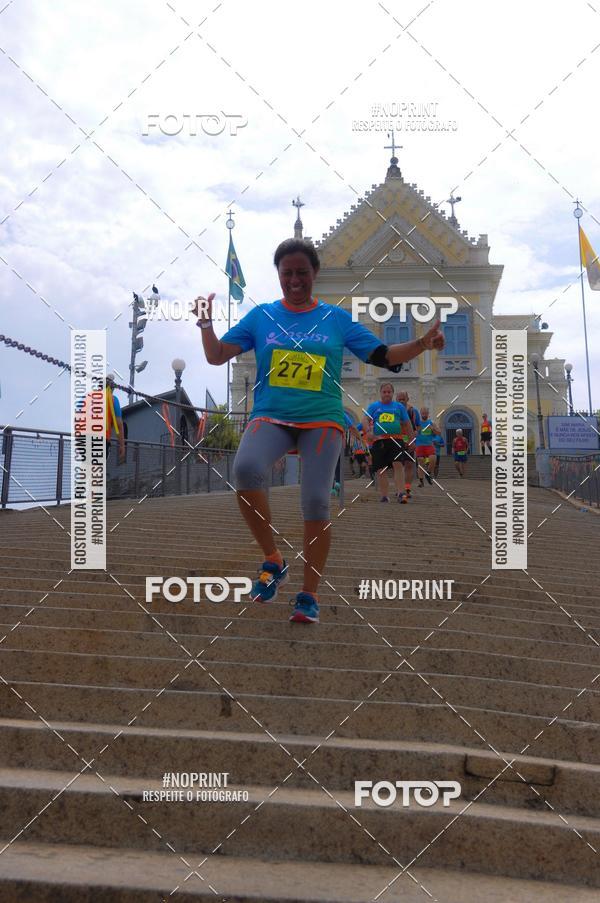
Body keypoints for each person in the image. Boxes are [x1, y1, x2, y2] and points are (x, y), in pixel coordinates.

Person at [194, 238, 445, 624]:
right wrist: (206, 324)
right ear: (279, 276)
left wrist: (422, 344)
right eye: (287, 274)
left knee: (315, 500)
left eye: (302, 273)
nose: (294, 281)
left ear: (315, 275)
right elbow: (216, 356)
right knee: (245, 470)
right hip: (271, 415)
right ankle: (273, 559)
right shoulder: (262, 316)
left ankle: (308, 594)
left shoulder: (336, 318)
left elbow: (382, 356)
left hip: (322, 420)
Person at [364, 384, 414, 503]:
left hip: (396, 440)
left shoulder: (399, 407)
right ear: (380, 393)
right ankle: (385, 495)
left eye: (389, 392)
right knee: (381, 469)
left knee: (398, 465)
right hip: (379, 441)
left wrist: (411, 440)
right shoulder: (374, 406)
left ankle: (401, 493)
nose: (387, 394)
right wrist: (368, 431)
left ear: (393, 393)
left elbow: (407, 424)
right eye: (384, 392)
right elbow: (365, 419)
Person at [396, 390, 421, 500]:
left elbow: (418, 426)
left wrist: (415, 435)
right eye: (399, 399)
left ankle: (406, 488)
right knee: (398, 466)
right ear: (396, 400)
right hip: (396, 441)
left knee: (409, 465)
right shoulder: (393, 411)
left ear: (407, 399)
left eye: (403, 399)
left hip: (410, 441)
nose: (401, 401)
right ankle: (399, 490)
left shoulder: (413, 411)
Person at [415, 406, 439, 486]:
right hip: (419, 444)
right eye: (423, 413)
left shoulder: (431, 422)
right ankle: (421, 481)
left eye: (425, 413)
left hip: (429, 444)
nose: (424, 414)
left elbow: (438, 432)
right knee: (421, 461)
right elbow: (413, 433)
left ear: (428, 414)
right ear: (420, 413)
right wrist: (418, 430)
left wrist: (432, 429)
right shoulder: (417, 423)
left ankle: (428, 473)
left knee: (433, 459)